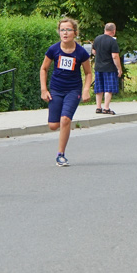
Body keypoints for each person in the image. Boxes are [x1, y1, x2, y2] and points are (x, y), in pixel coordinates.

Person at [40, 18, 92, 167]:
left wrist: (86, 90)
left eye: (68, 30)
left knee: (65, 120)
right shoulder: (53, 50)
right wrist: (44, 89)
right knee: (53, 125)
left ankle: (60, 155)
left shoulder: (81, 52)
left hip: (73, 90)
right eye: (62, 30)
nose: (65, 33)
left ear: (75, 33)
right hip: (56, 89)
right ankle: (62, 130)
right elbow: (43, 69)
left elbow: (88, 73)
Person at [92, 23, 122, 115]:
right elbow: (115, 56)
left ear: (105, 29)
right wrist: (119, 69)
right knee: (108, 88)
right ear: (114, 31)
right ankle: (106, 108)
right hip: (109, 68)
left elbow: (94, 51)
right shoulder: (112, 41)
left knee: (99, 87)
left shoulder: (97, 39)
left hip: (98, 67)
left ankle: (98, 107)